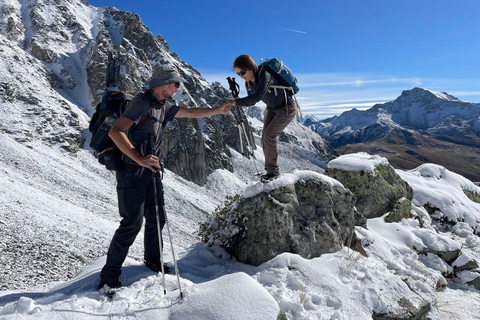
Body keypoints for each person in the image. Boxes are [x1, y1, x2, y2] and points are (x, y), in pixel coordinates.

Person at [98, 67, 233, 290]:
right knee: (131, 223)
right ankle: (108, 278)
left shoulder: (163, 106)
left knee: (157, 217)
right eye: (176, 84)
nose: (178, 88)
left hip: (150, 169)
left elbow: (190, 112)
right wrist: (138, 158)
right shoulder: (142, 103)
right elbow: (116, 131)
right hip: (132, 171)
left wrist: (218, 110)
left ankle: (153, 260)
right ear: (164, 84)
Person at [230, 54, 298, 181]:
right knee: (264, 138)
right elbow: (252, 101)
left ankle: (273, 172)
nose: (241, 76)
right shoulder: (249, 83)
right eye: (239, 73)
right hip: (272, 109)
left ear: (250, 67)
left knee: (269, 136)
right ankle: (270, 171)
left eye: (243, 72)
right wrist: (239, 100)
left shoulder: (264, 74)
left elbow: (258, 96)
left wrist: (236, 103)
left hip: (287, 108)